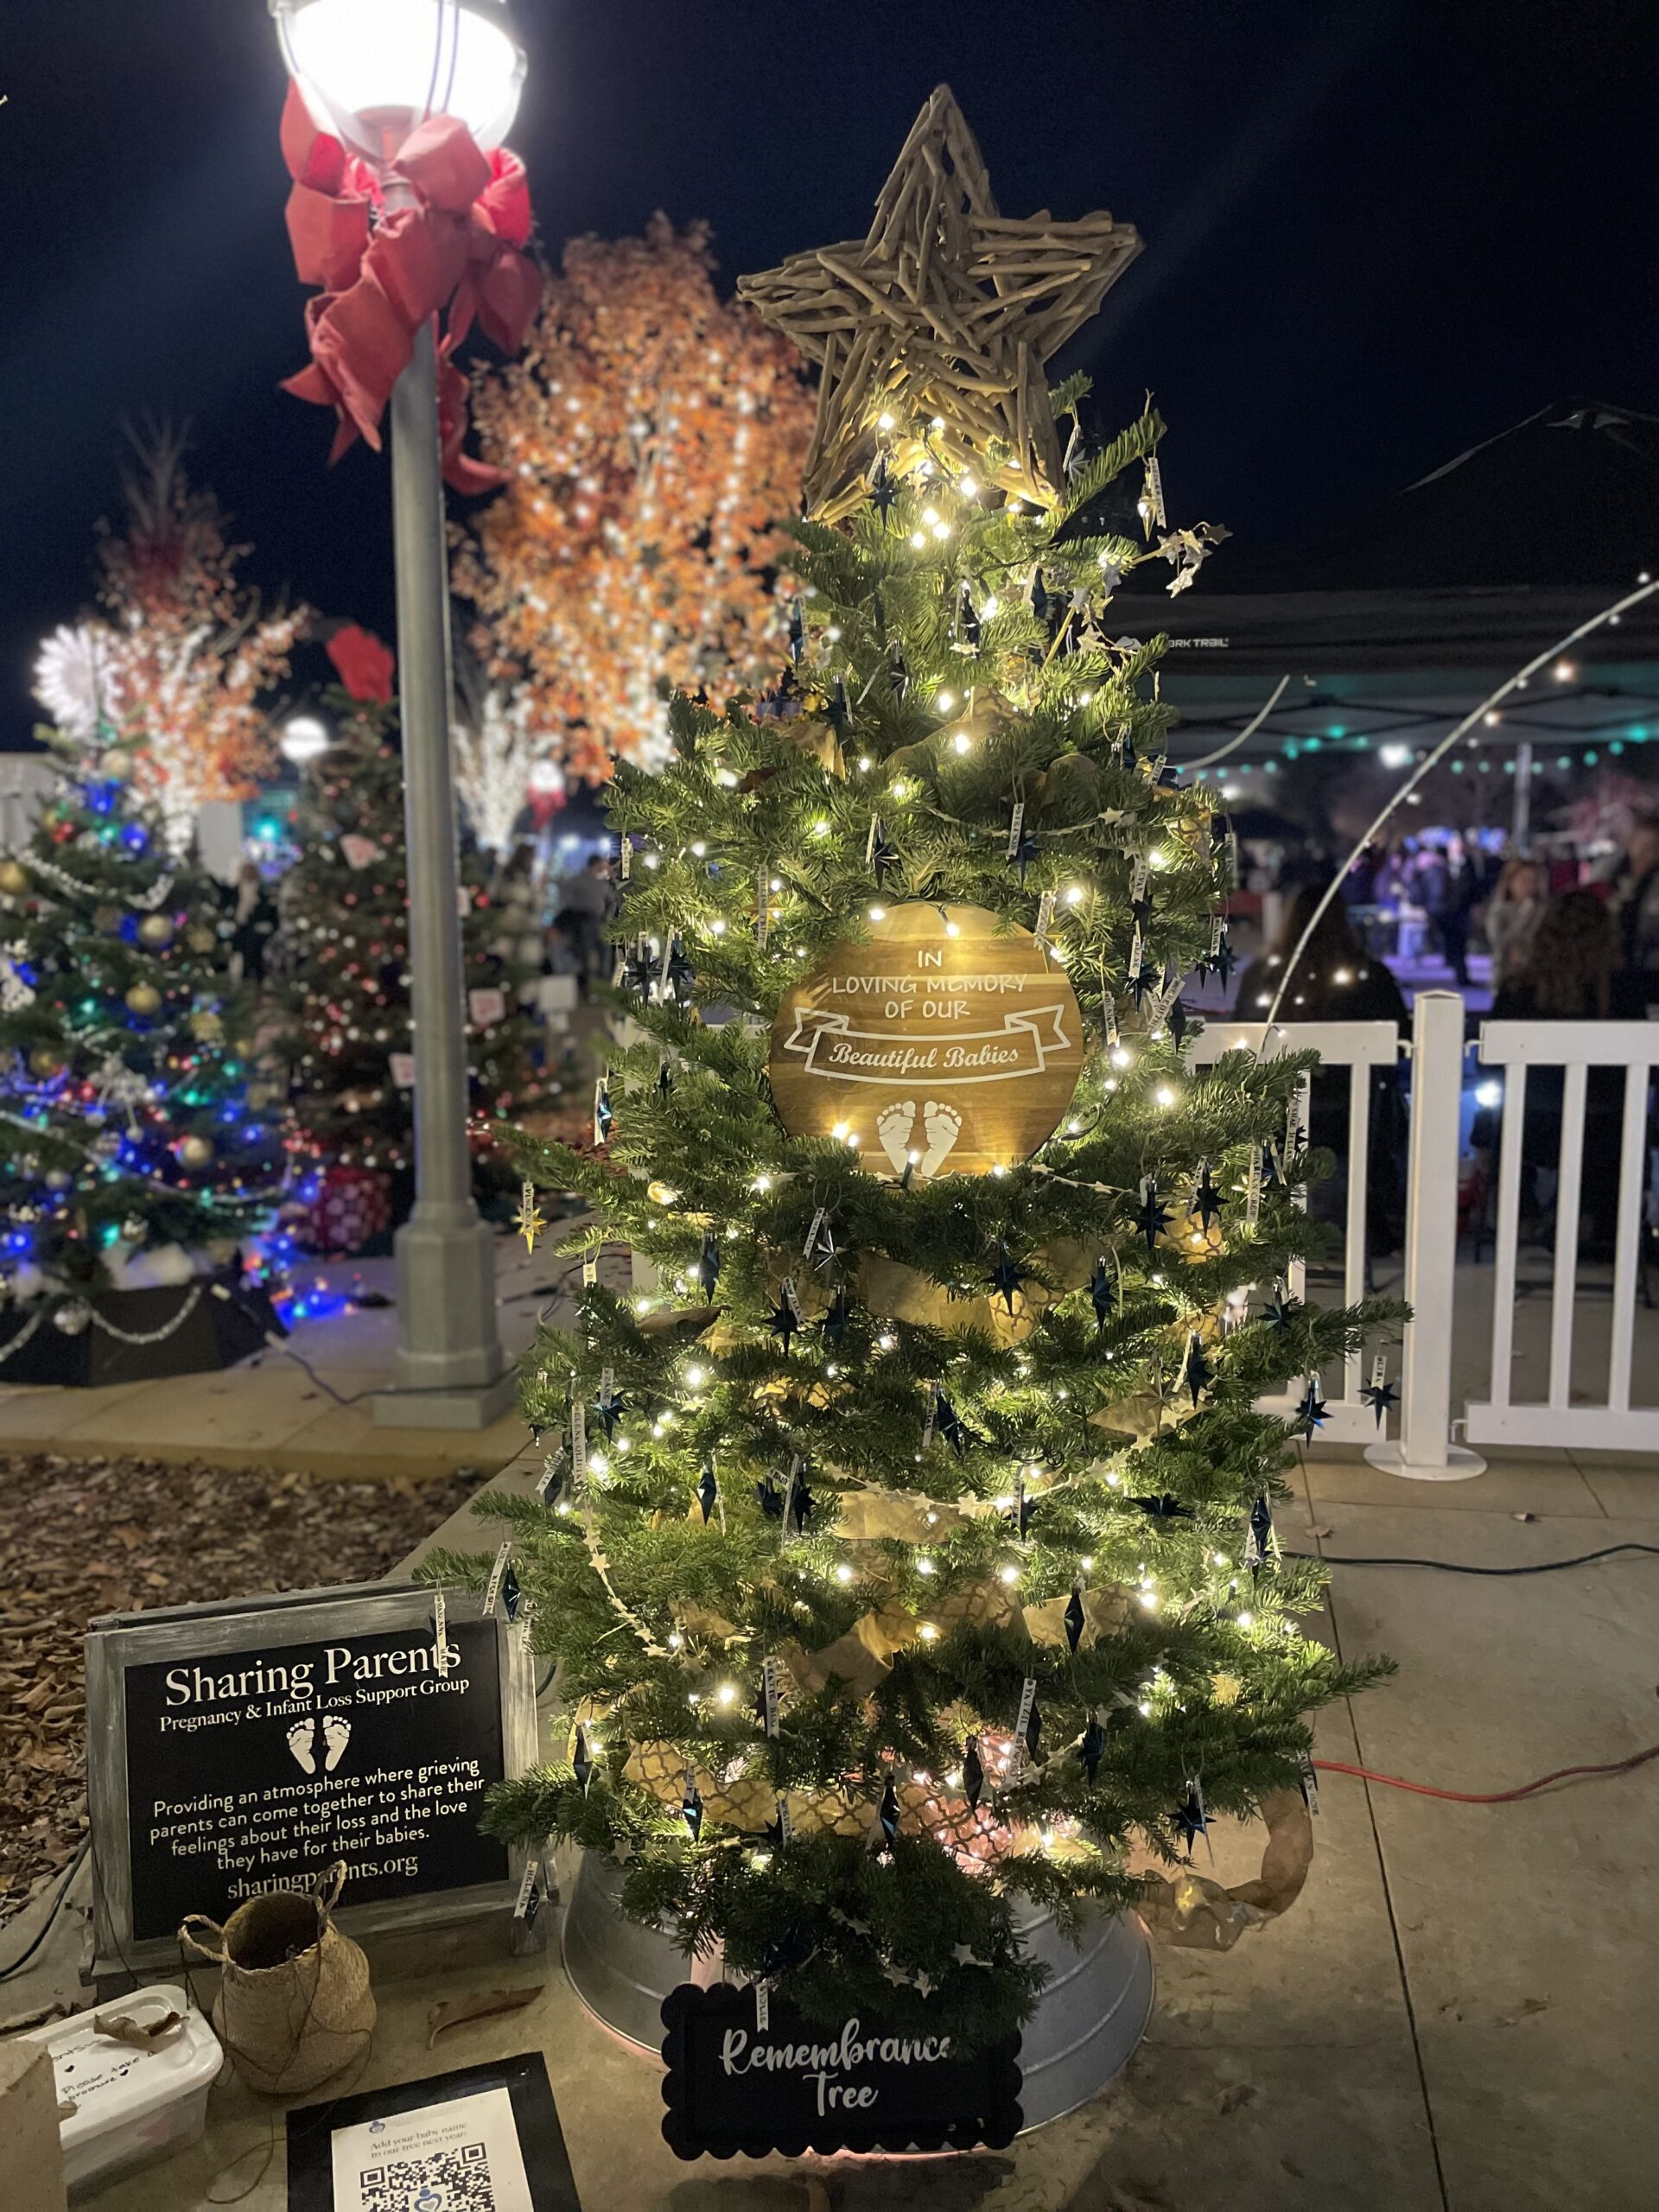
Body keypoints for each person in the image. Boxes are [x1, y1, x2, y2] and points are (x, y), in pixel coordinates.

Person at [1233, 884, 1410, 1251]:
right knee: (1394, 1104)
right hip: (1355, 1116)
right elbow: (1401, 1043)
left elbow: (1242, 1042)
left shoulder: (1264, 979)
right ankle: (1374, 1212)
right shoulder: (1369, 978)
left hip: (1278, 1115)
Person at [1487, 891, 1646, 1250]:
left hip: (1529, 1129)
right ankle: (1600, 1221)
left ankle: (1520, 1211)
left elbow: (1493, 1064)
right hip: (1606, 1132)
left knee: (1501, 1106)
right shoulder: (1623, 993)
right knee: (1618, 1122)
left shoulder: (1518, 992)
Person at [1605, 814, 1659, 995]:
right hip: (1609, 960)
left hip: (1647, 966)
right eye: (1640, 844)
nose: (1643, 852)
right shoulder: (1611, 872)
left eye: (1652, 847)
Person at [554, 854, 616, 995]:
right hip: (584, 921)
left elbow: (610, 899)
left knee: (600, 953)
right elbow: (565, 894)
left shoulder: (600, 883)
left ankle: (599, 986)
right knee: (586, 955)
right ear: (595, 865)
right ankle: (588, 988)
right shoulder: (582, 880)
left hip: (598, 921)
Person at [1484, 855, 1547, 990]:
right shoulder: (1498, 911)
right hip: (1507, 977)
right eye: (1525, 881)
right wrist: (1524, 916)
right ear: (1510, 882)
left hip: (1537, 977)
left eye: (1534, 881)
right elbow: (1500, 943)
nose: (1530, 887)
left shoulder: (1543, 910)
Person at [228, 859, 279, 988]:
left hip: (259, 933)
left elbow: (272, 915)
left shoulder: (264, 891)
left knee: (256, 959)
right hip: (241, 932)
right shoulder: (235, 891)